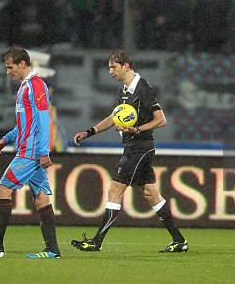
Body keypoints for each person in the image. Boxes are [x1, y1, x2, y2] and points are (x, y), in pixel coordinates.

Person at [71, 50, 188, 253]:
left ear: (126, 66)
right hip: (134, 146)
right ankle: (179, 241)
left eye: (113, 67)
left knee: (115, 190)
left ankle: (96, 241)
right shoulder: (124, 90)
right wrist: (89, 132)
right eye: (109, 67)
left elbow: (161, 120)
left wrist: (137, 129)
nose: (110, 71)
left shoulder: (143, 88)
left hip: (140, 146)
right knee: (150, 193)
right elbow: (114, 117)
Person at [0, 47, 60, 259]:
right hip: (30, 150)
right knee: (41, 199)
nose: (7, 71)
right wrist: (6, 138)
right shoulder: (24, 87)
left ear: (22, 64)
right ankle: (52, 249)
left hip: (31, 152)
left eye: (10, 67)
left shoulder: (36, 85)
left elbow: (43, 120)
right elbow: (25, 124)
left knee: (2, 190)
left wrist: (43, 151)